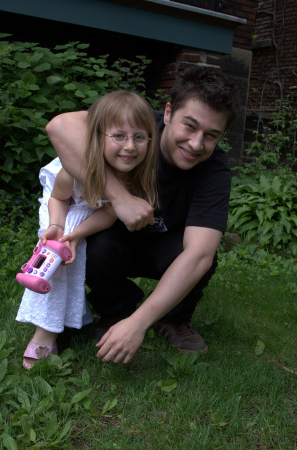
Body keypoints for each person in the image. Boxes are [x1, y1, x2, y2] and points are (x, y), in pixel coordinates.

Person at [46, 66, 239, 365]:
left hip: (167, 248)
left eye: (211, 135)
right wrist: (120, 198)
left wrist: (141, 323)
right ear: (167, 113)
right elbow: (59, 126)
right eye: (189, 126)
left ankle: (173, 319)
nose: (196, 144)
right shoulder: (136, 129)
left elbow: (199, 254)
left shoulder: (215, 172)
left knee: (205, 257)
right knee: (97, 244)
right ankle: (117, 310)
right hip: (119, 236)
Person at [16, 90, 159, 369]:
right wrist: (59, 229)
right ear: (97, 137)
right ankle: (45, 332)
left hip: (91, 209)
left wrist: (79, 235)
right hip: (61, 205)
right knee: (58, 257)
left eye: (139, 137)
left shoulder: (134, 175)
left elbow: (109, 212)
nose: (130, 146)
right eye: (119, 136)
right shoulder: (74, 169)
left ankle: (65, 319)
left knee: (76, 247)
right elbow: (59, 198)